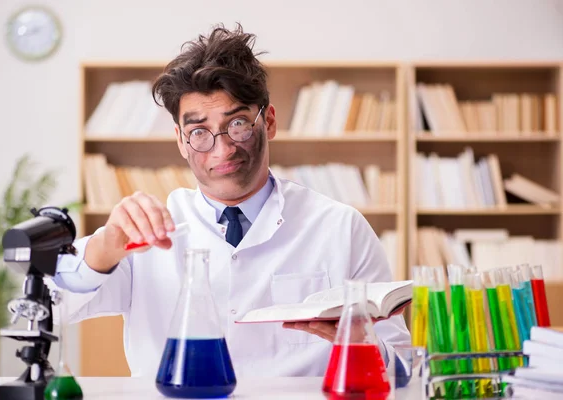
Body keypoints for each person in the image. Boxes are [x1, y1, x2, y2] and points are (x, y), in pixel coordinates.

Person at [52, 23, 411, 379]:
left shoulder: (340, 227)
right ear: (180, 139)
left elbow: (403, 369)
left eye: (237, 124)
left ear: (268, 121)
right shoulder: (145, 232)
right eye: (198, 132)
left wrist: (360, 343)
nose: (222, 148)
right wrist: (103, 249)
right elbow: (51, 308)